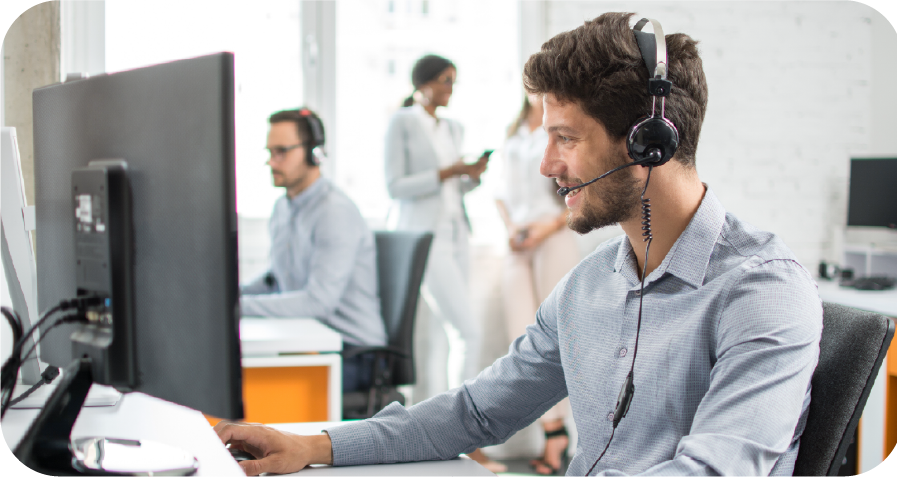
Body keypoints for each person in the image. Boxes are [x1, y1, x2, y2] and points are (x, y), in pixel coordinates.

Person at [216, 13, 822, 477]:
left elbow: (712, 471)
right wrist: (315, 445)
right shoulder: (589, 288)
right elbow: (475, 413)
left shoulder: (761, 291)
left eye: (565, 138)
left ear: (647, 144)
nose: (547, 165)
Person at [380, 54, 503, 472]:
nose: (450, 88)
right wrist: (449, 170)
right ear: (424, 83)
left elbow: (456, 189)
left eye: (454, 81)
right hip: (424, 238)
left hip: (456, 235)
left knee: (442, 338)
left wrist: (471, 175)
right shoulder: (403, 122)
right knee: (466, 330)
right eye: (445, 81)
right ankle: (464, 435)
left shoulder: (453, 126)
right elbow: (396, 186)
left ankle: (432, 434)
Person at [240, 108, 387, 394]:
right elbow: (276, 279)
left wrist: (236, 309)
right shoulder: (283, 207)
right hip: (310, 342)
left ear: (314, 154)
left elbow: (318, 302)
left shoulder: (334, 212)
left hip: (353, 354)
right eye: (270, 152)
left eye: (282, 151)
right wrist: (231, 295)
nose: (272, 161)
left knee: (255, 392)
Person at [496, 93, 582, 475]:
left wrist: (544, 228)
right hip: (519, 239)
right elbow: (500, 192)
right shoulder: (513, 131)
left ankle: (558, 435)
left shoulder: (563, 131)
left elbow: (580, 187)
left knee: (559, 335)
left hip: (553, 234)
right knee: (524, 337)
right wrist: (513, 229)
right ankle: (552, 429)